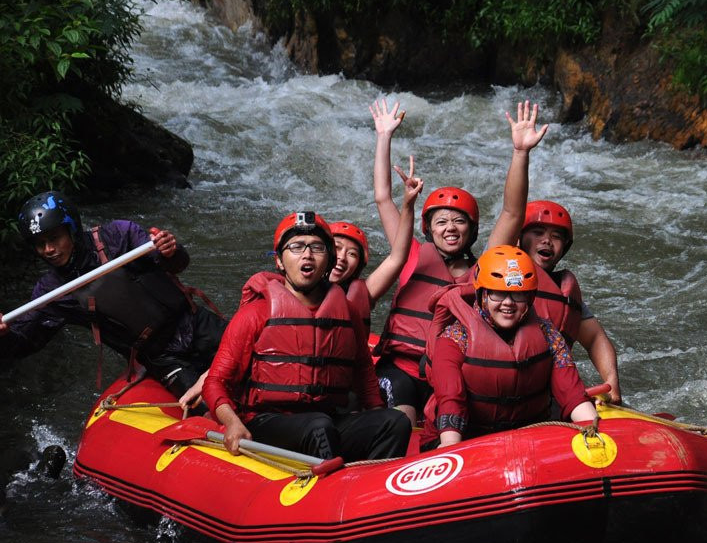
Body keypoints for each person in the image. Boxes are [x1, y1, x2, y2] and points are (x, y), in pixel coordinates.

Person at [370, 99, 548, 424]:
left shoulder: (484, 272)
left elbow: (512, 213)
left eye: (459, 221)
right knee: (402, 420)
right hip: (402, 370)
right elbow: (383, 196)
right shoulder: (408, 254)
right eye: (441, 222)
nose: (450, 228)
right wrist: (384, 137)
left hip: (452, 374)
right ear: (428, 228)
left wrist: (521, 153)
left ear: (471, 230)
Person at [200, 211, 411, 460]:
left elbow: (364, 372)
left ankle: (372, 488)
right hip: (267, 421)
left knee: (395, 421)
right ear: (279, 260)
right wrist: (232, 422)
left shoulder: (347, 312)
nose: (307, 254)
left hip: (328, 419)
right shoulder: (255, 313)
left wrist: (375, 412)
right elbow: (215, 383)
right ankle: (329, 489)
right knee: (319, 426)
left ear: (329, 260)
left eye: (317, 248)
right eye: (297, 247)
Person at [0, 191, 226, 399]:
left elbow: (176, 264)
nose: (48, 250)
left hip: (195, 323)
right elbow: (23, 344)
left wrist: (170, 251)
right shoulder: (51, 291)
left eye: (54, 238)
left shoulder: (118, 235)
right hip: (161, 358)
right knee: (205, 404)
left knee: (260, 354)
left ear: (72, 230)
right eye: (40, 244)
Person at [420, 245, 598, 449]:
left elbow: (572, 393)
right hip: (461, 438)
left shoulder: (548, 335)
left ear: (530, 298)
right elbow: (451, 398)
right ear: (482, 294)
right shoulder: (454, 337)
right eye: (498, 293)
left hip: (524, 438)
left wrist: (591, 429)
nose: (508, 303)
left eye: (518, 295)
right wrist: (450, 444)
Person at [520, 200, 623, 403]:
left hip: (547, 394)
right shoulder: (496, 276)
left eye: (556, 236)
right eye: (538, 232)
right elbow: (510, 213)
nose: (547, 240)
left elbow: (594, 339)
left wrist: (612, 384)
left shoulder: (562, 292)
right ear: (519, 237)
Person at [328, 170, 423, 329]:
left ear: (358, 265)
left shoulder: (364, 292)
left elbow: (398, 257)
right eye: (336, 248)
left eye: (352, 254)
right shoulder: (298, 281)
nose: (342, 258)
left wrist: (408, 205)